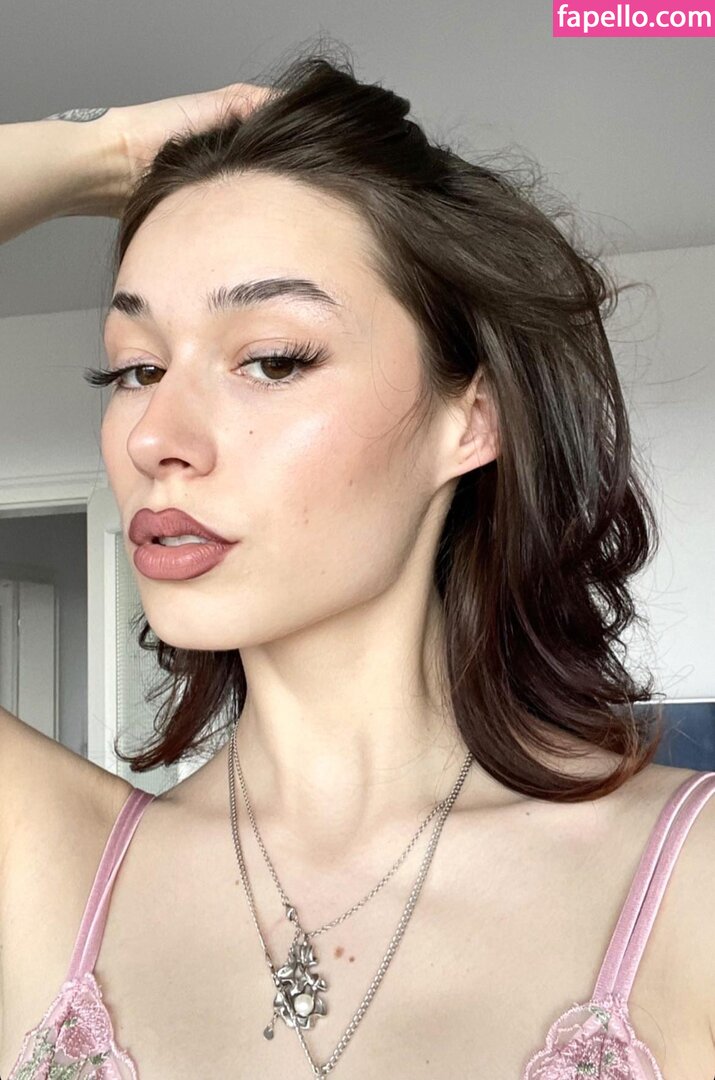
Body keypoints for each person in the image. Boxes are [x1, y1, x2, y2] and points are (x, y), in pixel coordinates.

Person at [0, 49, 713, 1080]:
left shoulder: (686, 882)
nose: (156, 435)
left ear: (470, 420)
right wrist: (101, 154)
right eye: (135, 368)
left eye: (272, 359)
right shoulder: (48, 863)